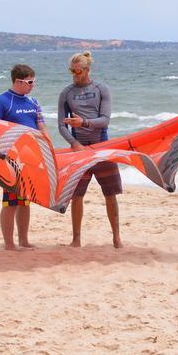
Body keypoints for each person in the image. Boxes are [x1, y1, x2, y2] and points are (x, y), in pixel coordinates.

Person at [57, 51, 123, 249]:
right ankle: (76, 239)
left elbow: (104, 120)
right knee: (77, 196)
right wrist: (74, 144)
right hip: (79, 150)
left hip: (102, 147)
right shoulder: (66, 93)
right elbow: (62, 126)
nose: (75, 74)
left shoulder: (101, 89)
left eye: (79, 71)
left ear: (88, 69)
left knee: (110, 194)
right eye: (72, 71)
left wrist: (83, 122)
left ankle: (116, 238)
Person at [0, 64, 50, 250]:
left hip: (30, 158)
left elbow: (42, 126)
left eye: (34, 81)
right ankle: (9, 243)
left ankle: (23, 240)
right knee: (10, 202)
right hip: (10, 160)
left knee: (25, 200)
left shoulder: (33, 102)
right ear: (18, 81)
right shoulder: (1, 102)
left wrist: (47, 148)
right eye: (30, 82)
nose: (33, 85)